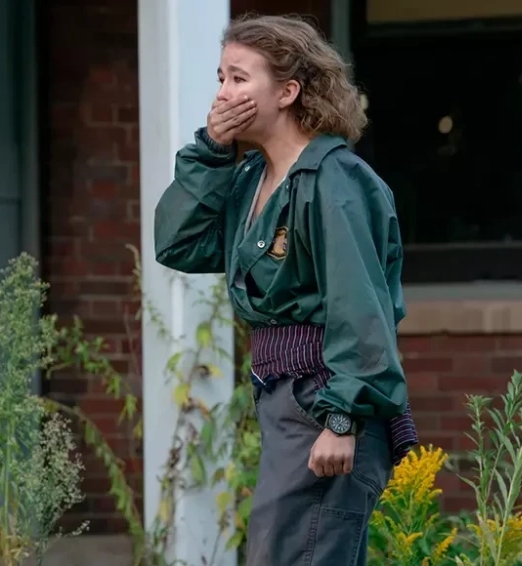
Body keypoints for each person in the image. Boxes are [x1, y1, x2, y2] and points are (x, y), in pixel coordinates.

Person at [153, 13, 418, 566]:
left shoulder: (333, 181)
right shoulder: (250, 180)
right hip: (285, 402)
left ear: (287, 91)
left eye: (238, 78)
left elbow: (360, 306)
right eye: (220, 78)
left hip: (326, 403)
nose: (222, 94)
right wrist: (211, 150)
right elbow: (178, 243)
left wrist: (341, 418)